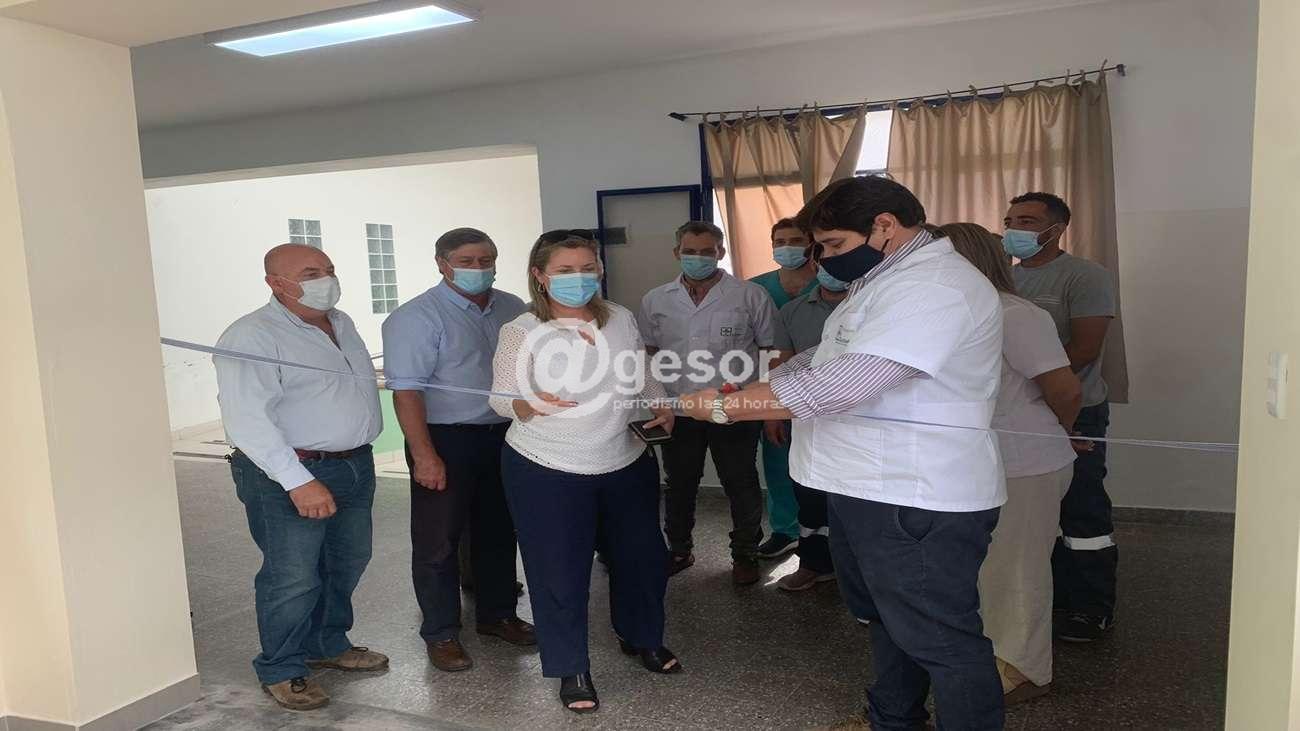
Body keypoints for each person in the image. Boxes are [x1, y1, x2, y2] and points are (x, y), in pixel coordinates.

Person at [680, 176, 1007, 730]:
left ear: (884, 226)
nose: (825, 259)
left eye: (833, 244)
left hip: (913, 493)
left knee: (941, 637)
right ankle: (893, 719)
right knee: (888, 620)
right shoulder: (884, 279)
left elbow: (842, 385)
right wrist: (756, 386)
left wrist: (721, 408)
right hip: (867, 487)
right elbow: (824, 358)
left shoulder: (934, 287)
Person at [491, 231, 680, 714]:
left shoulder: (619, 317)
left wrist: (659, 402)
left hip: (624, 458)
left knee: (643, 560)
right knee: (559, 571)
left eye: (587, 268)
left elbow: (640, 367)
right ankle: (570, 666)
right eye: (564, 270)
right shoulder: (522, 330)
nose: (579, 278)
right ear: (540, 276)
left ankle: (643, 637)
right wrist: (528, 404)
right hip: (547, 467)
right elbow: (500, 398)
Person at [215, 244, 389, 711]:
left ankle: (326, 643)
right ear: (276, 283)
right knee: (292, 576)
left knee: (347, 560)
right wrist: (297, 481)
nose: (325, 279)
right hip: (291, 471)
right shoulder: (251, 335)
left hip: (354, 463)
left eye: (329, 269)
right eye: (311, 273)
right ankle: (282, 667)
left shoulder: (341, 322)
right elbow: (247, 420)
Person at [381, 227, 536, 674]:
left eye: (486, 260)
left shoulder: (512, 308)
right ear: (442, 264)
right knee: (438, 540)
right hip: (445, 439)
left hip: (505, 434)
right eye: (467, 261)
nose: (478, 269)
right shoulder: (415, 318)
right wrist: (424, 455)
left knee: (498, 530)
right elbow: (407, 392)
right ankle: (441, 632)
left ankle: (497, 615)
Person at [943, 222, 1084, 704]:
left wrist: (1059, 432)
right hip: (971, 462)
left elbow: (1065, 389)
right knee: (986, 568)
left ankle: (1023, 669)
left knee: (1017, 567)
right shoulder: (948, 313)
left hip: (1025, 461)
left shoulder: (1016, 315)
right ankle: (988, 653)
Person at [1003, 192, 1119, 643]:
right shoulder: (1007, 280)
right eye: (1010, 220)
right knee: (1035, 510)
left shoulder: (1085, 276)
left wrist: (1041, 383)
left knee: (1082, 509)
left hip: (1076, 407)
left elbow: (1085, 348)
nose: (1014, 229)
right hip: (1022, 413)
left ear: (1057, 228)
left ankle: (1091, 608)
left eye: (1027, 221)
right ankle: (1051, 600)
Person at [637, 221, 778, 586]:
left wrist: (770, 409)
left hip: (735, 407)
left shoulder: (750, 295)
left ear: (720, 253)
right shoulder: (656, 299)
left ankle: (745, 553)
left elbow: (770, 352)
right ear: (677, 253)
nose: (698, 258)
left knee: (740, 481)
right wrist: (657, 402)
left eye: (706, 251)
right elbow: (648, 354)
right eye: (690, 251)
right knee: (680, 483)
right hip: (679, 408)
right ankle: (679, 549)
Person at [766, 242, 852, 592]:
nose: (833, 267)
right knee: (809, 494)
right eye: (825, 260)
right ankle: (813, 564)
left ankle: (856, 574)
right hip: (807, 419)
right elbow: (781, 364)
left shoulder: (869, 305)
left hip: (858, 419)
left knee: (853, 501)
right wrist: (771, 414)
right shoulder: (793, 310)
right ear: (814, 264)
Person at [748, 218, 819, 560]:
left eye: (796, 240)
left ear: (812, 244)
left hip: (822, 390)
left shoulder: (831, 282)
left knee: (820, 465)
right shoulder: (755, 288)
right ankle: (785, 530)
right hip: (772, 386)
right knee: (777, 461)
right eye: (780, 241)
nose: (787, 247)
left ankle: (822, 537)